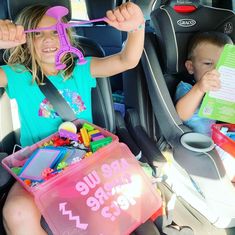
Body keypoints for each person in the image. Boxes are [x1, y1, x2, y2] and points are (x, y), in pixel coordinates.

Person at [0, 2, 145, 234]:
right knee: (16, 212)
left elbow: (126, 60)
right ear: (24, 39)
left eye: (55, 32)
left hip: (85, 157)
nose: (48, 40)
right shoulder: (16, 74)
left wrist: (137, 26)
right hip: (39, 164)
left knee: (112, 206)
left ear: (66, 35)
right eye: (37, 34)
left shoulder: (80, 68)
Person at [175, 31, 233, 136]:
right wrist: (199, 88)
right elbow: (181, 114)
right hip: (198, 145)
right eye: (208, 63)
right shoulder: (186, 87)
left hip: (222, 140)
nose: (216, 70)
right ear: (191, 67)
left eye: (222, 64)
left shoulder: (225, 89)